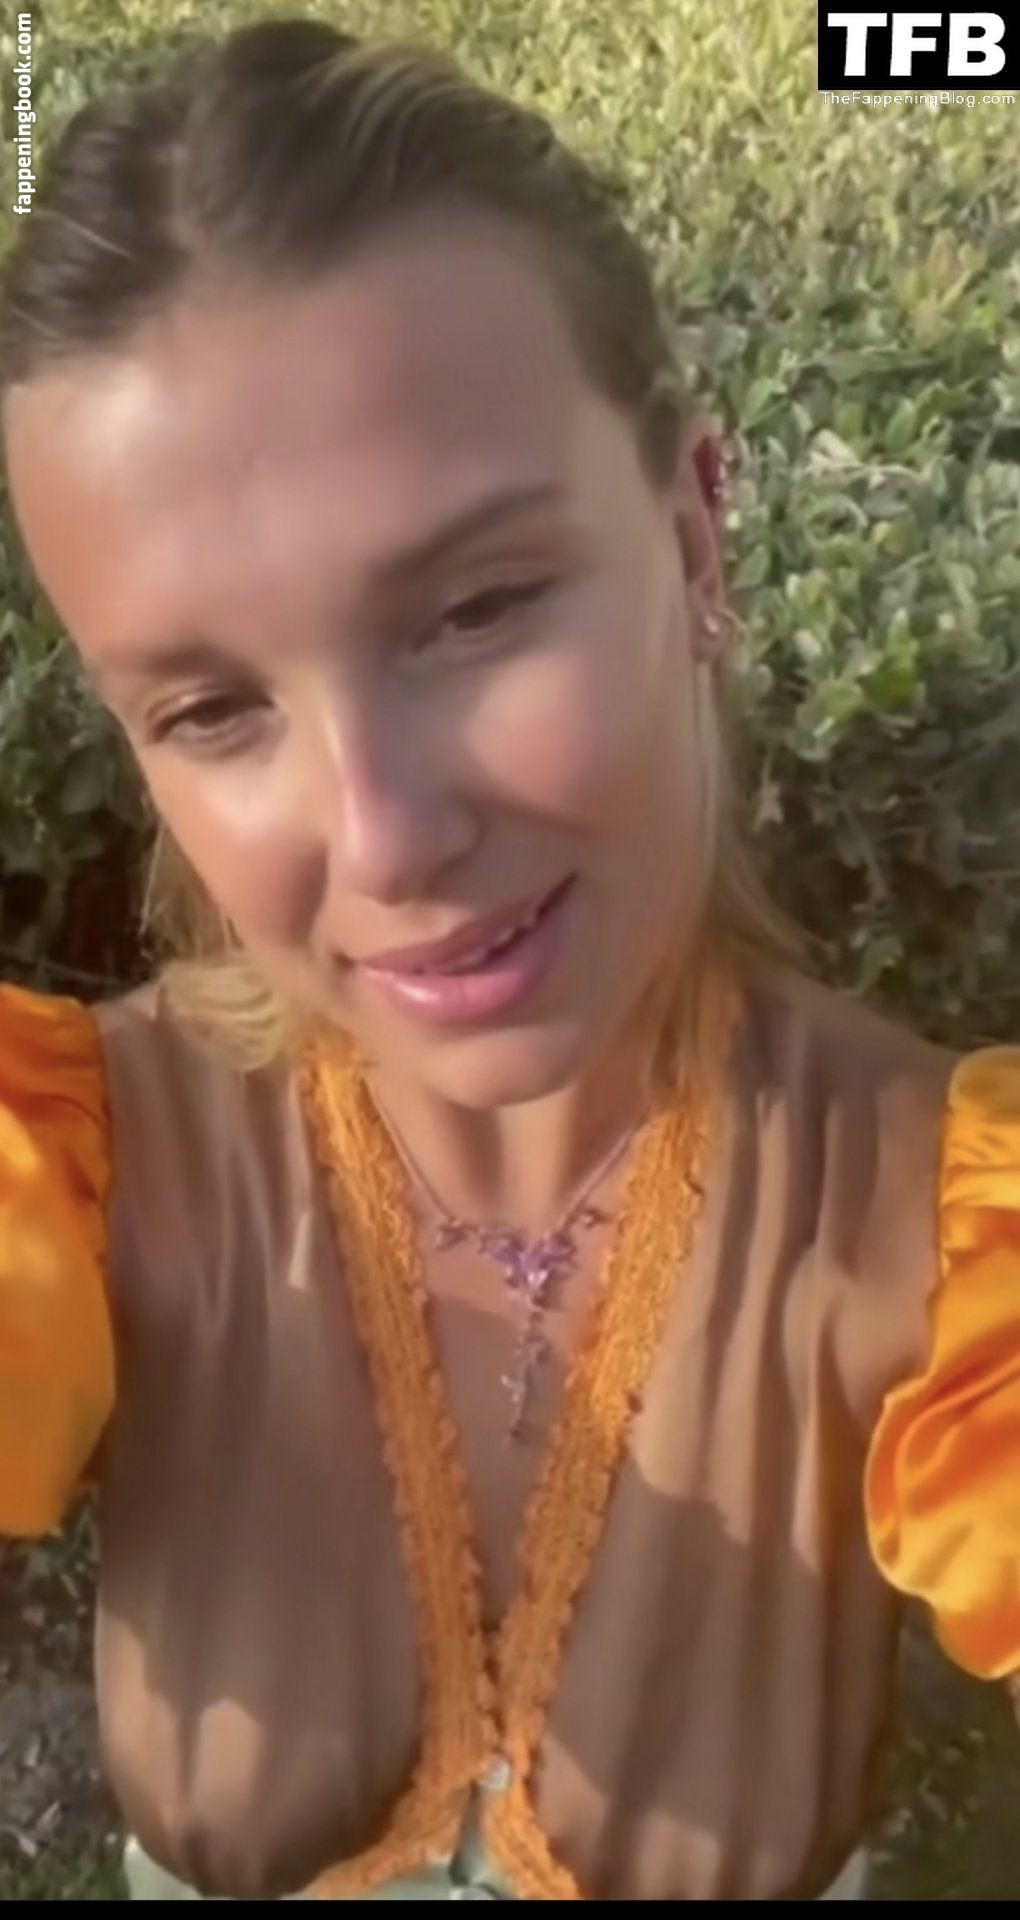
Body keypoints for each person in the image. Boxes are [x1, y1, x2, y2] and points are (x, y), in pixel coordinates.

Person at [0, 13, 1017, 1904]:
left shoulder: (942, 1237)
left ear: (696, 535)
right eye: (211, 709)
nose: (382, 836)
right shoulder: (68, 1169)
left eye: (475, 610)